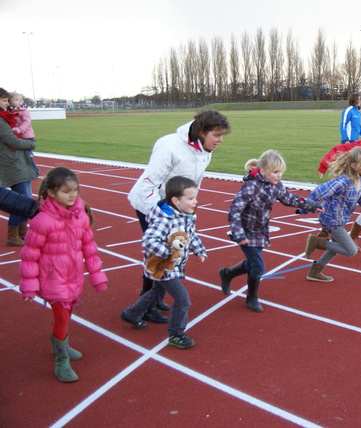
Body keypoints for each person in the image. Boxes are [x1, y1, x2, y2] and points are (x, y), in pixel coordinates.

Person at [127, 110, 230, 324]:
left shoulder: (204, 149)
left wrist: (189, 206)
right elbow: (149, 183)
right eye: (217, 135)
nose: (220, 140)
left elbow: (195, 181)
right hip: (153, 205)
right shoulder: (169, 146)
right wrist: (160, 213)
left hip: (176, 206)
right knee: (158, 254)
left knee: (171, 252)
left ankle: (155, 297)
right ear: (201, 131)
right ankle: (145, 306)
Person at [19, 167, 108, 382]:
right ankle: (61, 361)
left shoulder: (81, 216)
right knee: (61, 316)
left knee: (67, 315)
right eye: (66, 191)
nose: (72, 195)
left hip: (73, 274)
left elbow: (89, 246)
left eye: (75, 190)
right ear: (51, 193)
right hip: (52, 278)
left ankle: (61, 345)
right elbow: (30, 255)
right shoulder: (43, 221)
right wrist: (29, 285)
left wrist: (97, 276)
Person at [221, 150, 321, 311]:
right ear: (263, 170)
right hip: (245, 232)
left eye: (281, 171)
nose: (279, 175)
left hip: (261, 230)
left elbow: (289, 199)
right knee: (259, 266)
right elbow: (234, 210)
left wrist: (312, 205)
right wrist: (238, 234)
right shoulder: (250, 187)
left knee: (254, 264)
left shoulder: (276, 186)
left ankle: (227, 273)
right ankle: (251, 298)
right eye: (276, 172)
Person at [120, 176, 207, 350]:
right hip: (163, 266)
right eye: (190, 198)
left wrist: (199, 249)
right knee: (182, 300)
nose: (195, 202)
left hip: (173, 266)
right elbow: (149, 241)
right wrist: (169, 253)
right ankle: (176, 334)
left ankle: (131, 314)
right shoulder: (164, 219)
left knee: (156, 293)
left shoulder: (187, 216)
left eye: (195, 197)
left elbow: (190, 235)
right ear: (176, 200)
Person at [303, 146, 361, 282]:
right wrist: (306, 207)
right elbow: (320, 191)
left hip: (339, 219)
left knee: (337, 247)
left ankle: (315, 271)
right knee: (350, 250)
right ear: (353, 165)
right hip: (331, 219)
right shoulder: (343, 181)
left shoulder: (360, 181)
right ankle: (317, 242)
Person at [0, 87, 39, 246]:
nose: (7, 103)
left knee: (25, 199)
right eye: (3, 100)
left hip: (18, 162)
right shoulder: (1, 121)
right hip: (13, 163)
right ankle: (13, 235)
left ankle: (22, 233)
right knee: (19, 201)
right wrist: (31, 144)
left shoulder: (7, 117)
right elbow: (12, 141)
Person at [8, 92, 39, 175]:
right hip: (18, 135)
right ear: (10, 102)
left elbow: (27, 121)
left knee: (27, 152)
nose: (19, 102)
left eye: (20, 100)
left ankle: (34, 168)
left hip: (26, 135)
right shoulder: (11, 111)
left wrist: (19, 129)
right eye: (16, 100)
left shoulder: (23, 111)